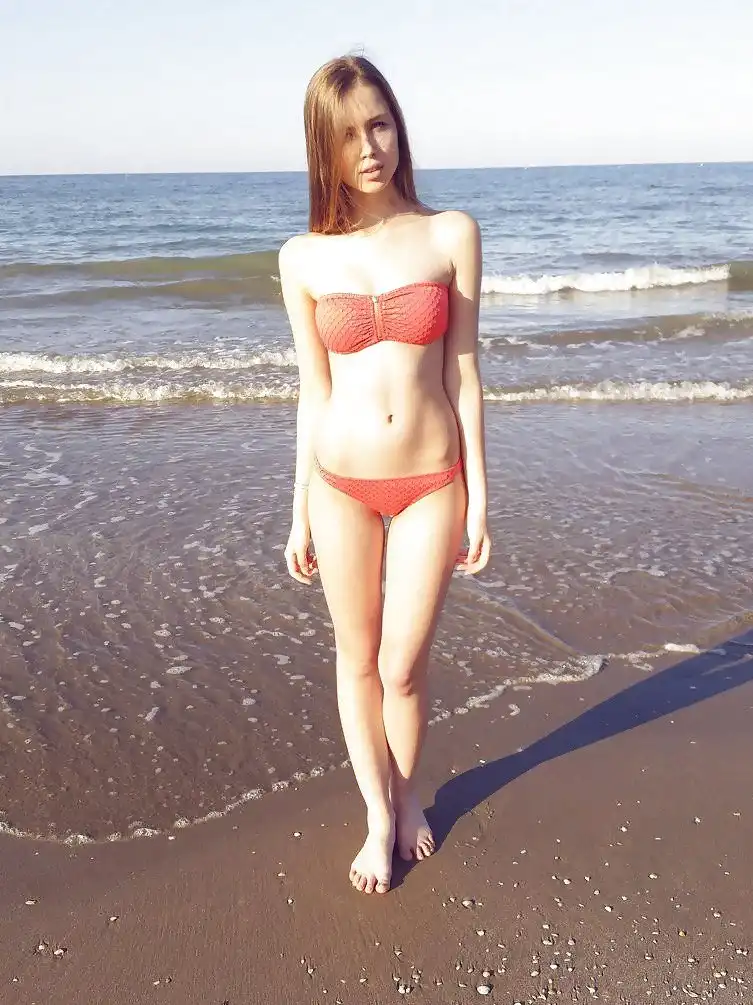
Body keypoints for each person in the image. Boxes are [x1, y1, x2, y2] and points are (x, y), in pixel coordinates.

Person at [279, 54, 490, 895]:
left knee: (402, 664)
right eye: (346, 135)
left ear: (398, 126)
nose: (368, 148)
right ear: (322, 149)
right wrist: (298, 508)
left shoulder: (451, 233)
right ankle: (379, 813)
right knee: (356, 657)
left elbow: (465, 374)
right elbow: (312, 391)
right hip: (340, 483)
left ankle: (408, 795)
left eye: (379, 125)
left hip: (432, 479)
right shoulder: (303, 257)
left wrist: (481, 496)